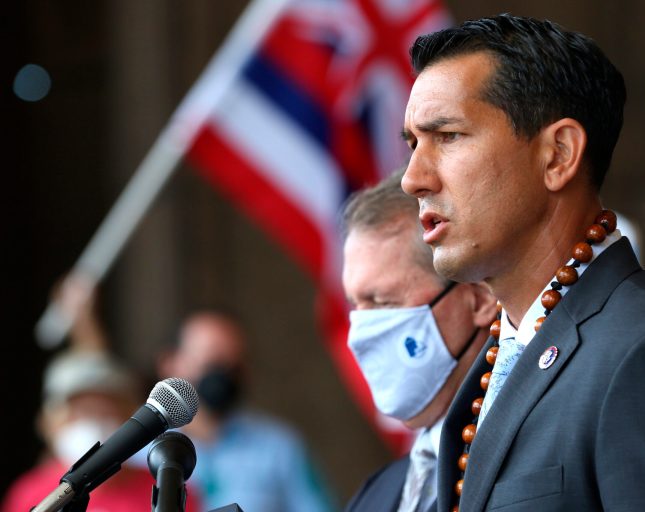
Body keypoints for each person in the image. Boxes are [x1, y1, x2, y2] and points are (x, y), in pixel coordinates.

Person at [400, 14, 645, 511]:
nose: (412, 178)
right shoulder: (509, 348)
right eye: (412, 143)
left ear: (558, 155)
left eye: (447, 136)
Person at [341, 170, 497, 512]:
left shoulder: (531, 463)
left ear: (480, 300)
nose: (360, 332)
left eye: (384, 302)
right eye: (355, 305)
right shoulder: (373, 497)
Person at [157, 309, 335, 512]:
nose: (223, 374)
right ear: (170, 364)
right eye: (211, 361)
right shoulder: (140, 449)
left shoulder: (279, 447)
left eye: (235, 365)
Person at [2, 349, 201, 512]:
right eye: (80, 411)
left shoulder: (168, 490)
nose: (92, 420)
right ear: (51, 422)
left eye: (104, 409)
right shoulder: (28, 492)